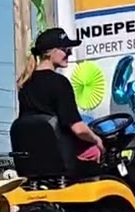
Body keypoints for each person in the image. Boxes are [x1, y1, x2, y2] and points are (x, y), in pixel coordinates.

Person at [15, 27, 106, 163]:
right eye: (65, 50)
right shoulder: (60, 83)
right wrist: (97, 139)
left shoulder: (25, 84)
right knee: (96, 150)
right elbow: (79, 130)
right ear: (49, 52)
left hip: (32, 158)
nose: (69, 53)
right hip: (61, 157)